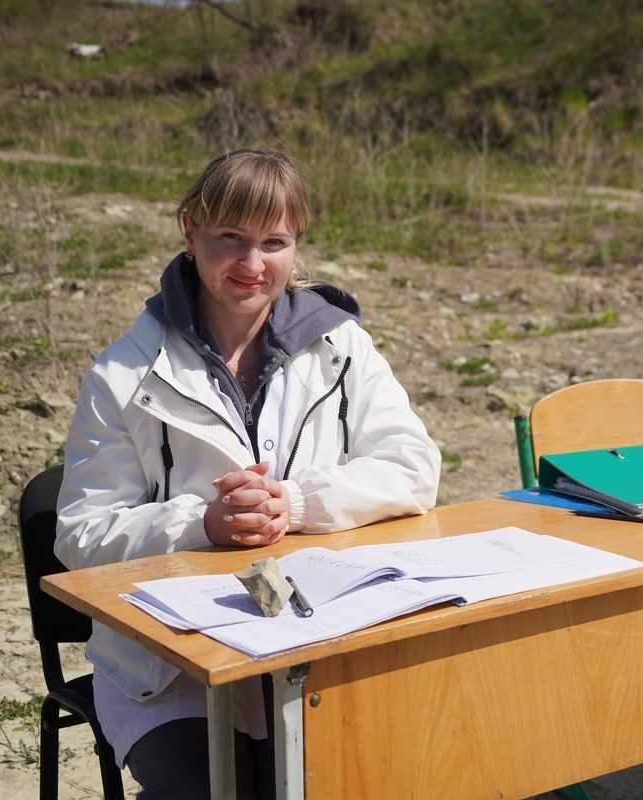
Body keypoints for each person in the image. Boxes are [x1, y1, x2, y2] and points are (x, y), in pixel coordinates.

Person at [54, 149, 442, 799]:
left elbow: (413, 467)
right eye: (230, 238)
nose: (252, 265)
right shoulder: (123, 373)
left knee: (384, 773)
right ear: (189, 230)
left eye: (274, 242)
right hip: (172, 670)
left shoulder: (340, 347)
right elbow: (80, 534)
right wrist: (201, 523)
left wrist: (293, 503)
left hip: (321, 642)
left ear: (297, 246)